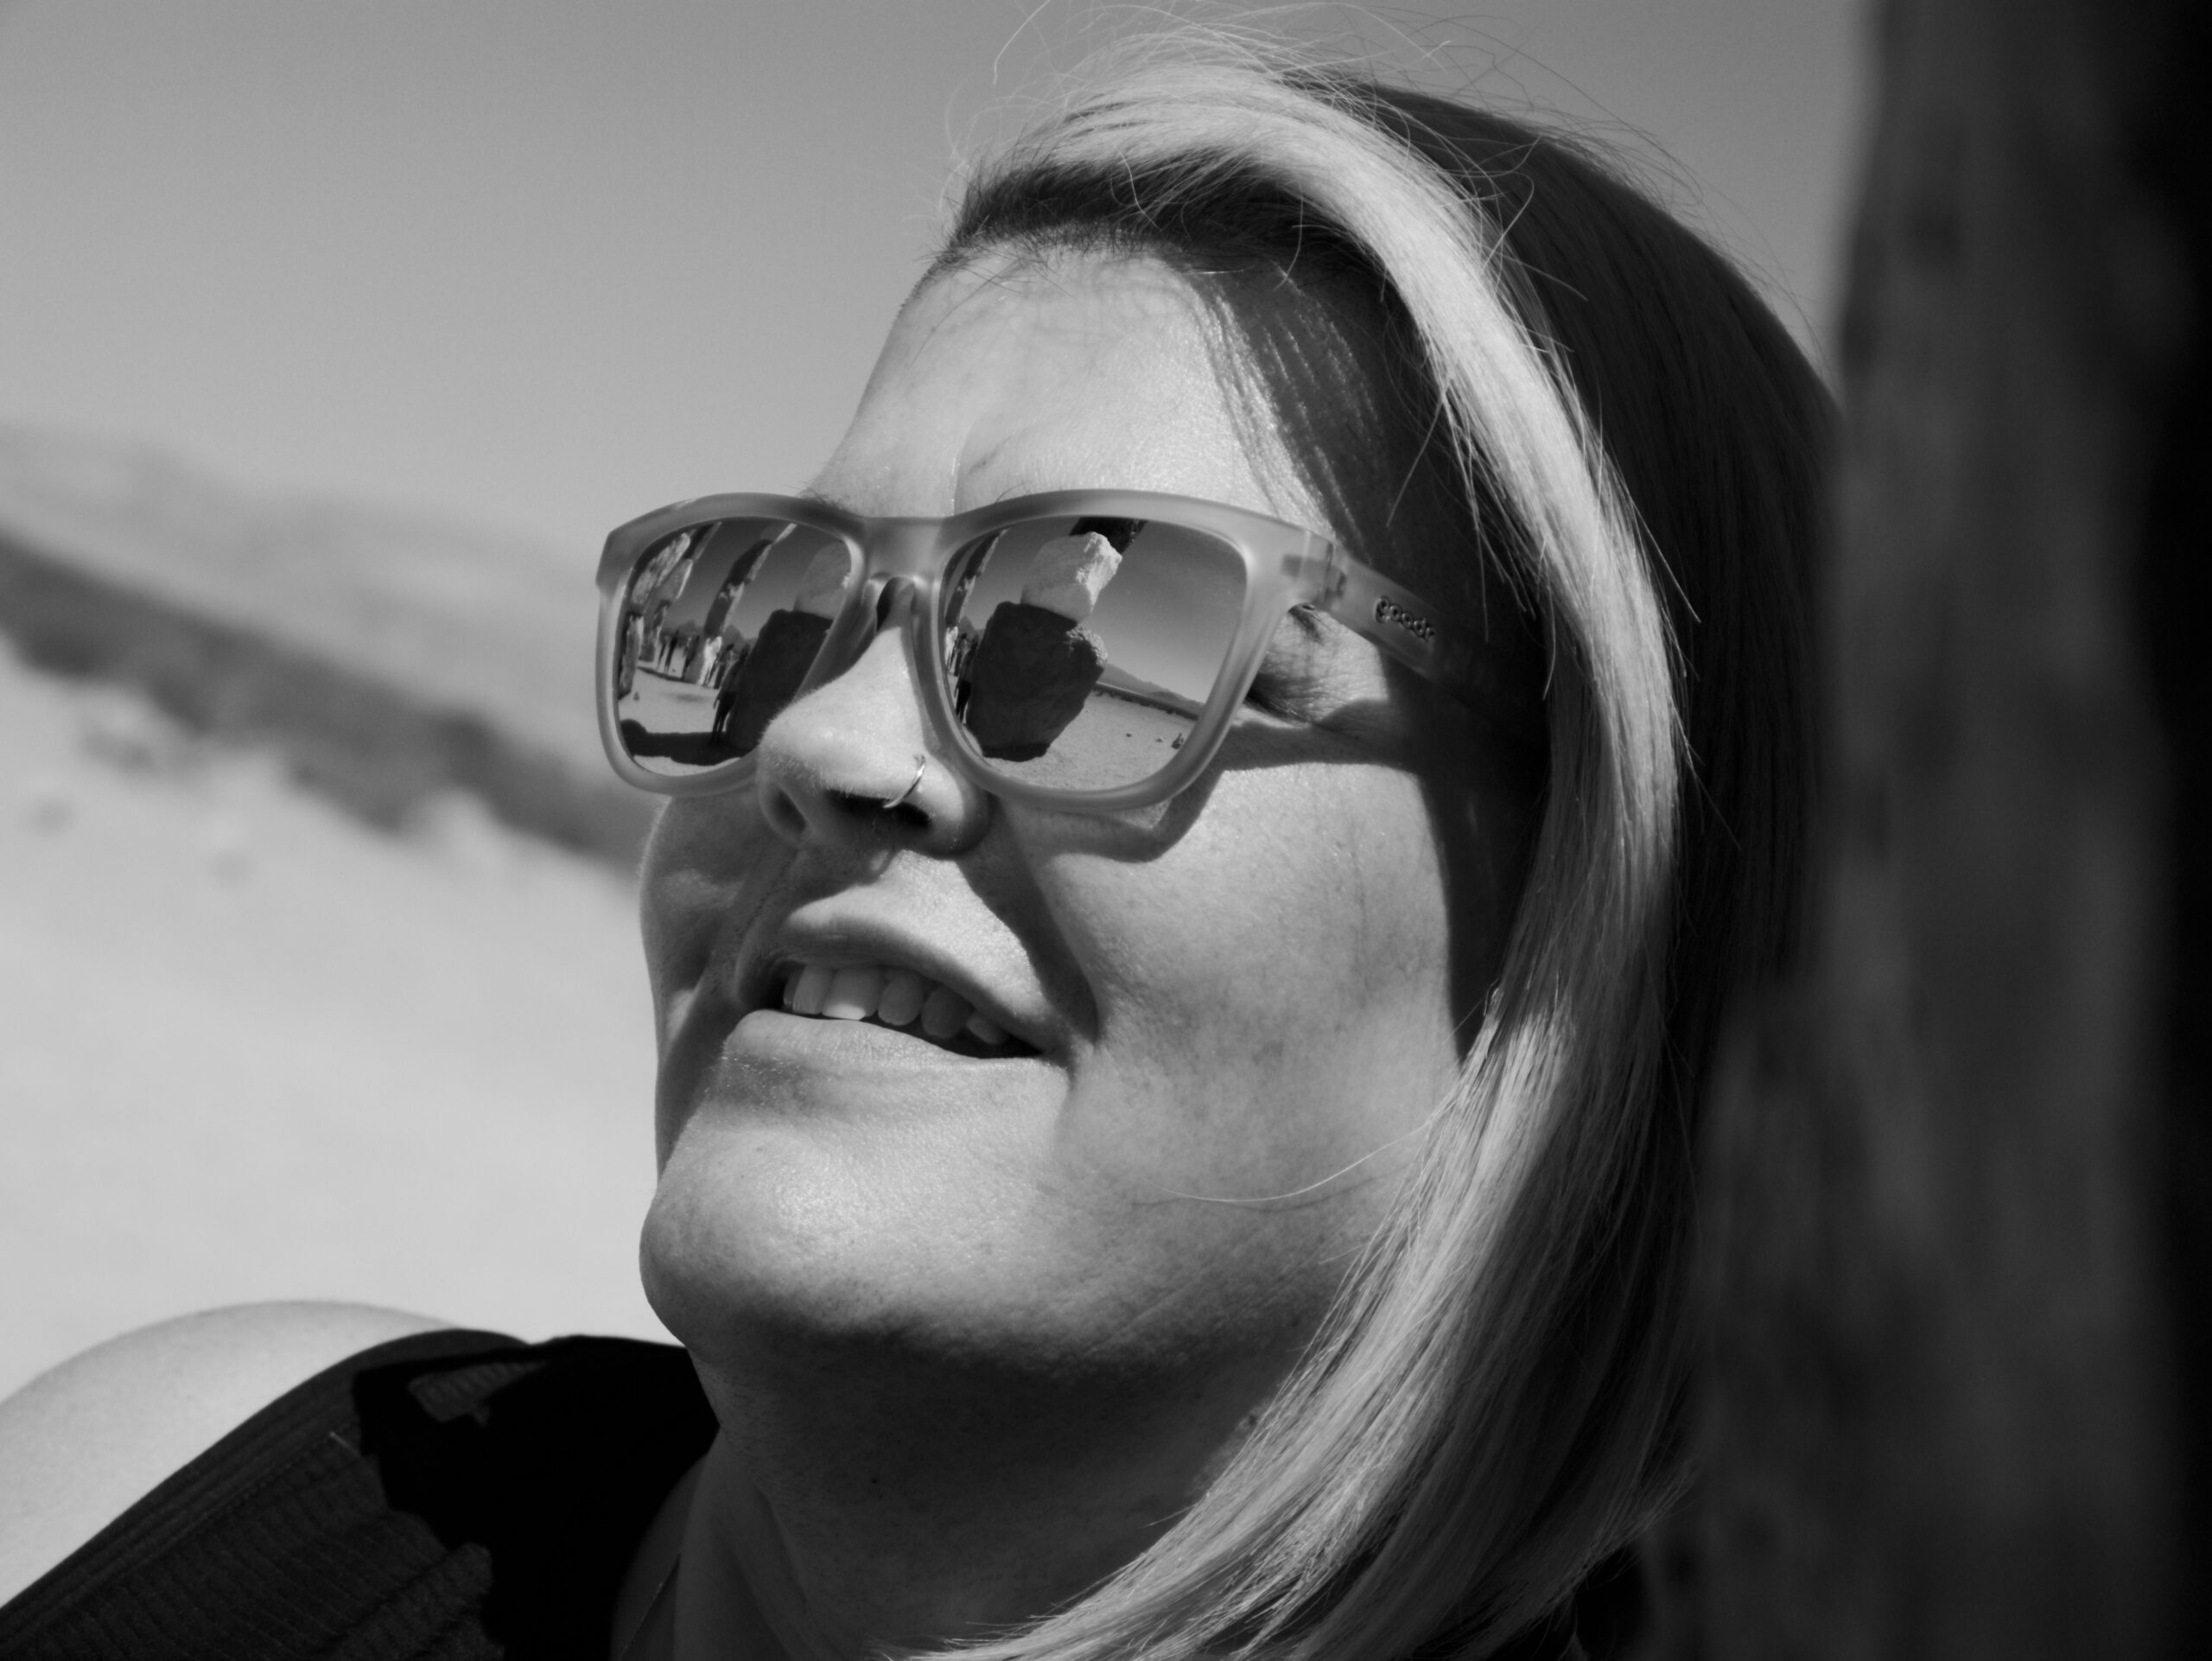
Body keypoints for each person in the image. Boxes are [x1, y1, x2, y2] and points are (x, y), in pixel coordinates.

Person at [0, 38, 1826, 1661]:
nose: (824, 743)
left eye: (1111, 628)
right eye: (775, 607)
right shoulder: (162, 1487)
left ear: (1614, 935)